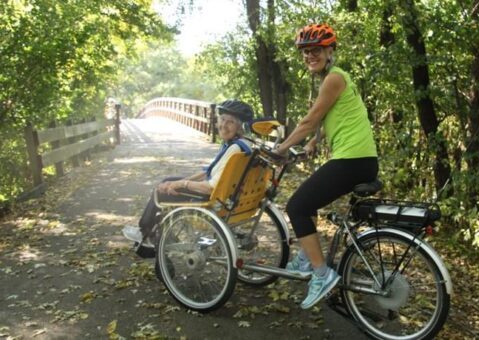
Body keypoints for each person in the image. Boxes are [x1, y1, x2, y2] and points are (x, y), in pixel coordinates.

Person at [275, 23, 378, 309]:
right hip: (361, 160)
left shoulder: (333, 79)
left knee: (296, 206)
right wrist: (313, 143)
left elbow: (310, 119)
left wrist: (280, 148)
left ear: (330, 50)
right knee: (309, 203)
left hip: (352, 160)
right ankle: (309, 256)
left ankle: (321, 274)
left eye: (316, 50)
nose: (310, 56)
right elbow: (328, 116)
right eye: (306, 52)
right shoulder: (334, 79)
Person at [122, 99, 254, 256]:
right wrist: (178, 182)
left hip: (213, 198)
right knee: (168, 181)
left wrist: (182, 184)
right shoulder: (242, 146)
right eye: (222, 119)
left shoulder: (233, 150)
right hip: (228, 195)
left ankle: (145, 232)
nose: (224, 125)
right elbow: (209, 171)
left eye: (230, 122)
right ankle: (150, 232)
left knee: (161, 192)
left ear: (239, 127)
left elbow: (211, 186)